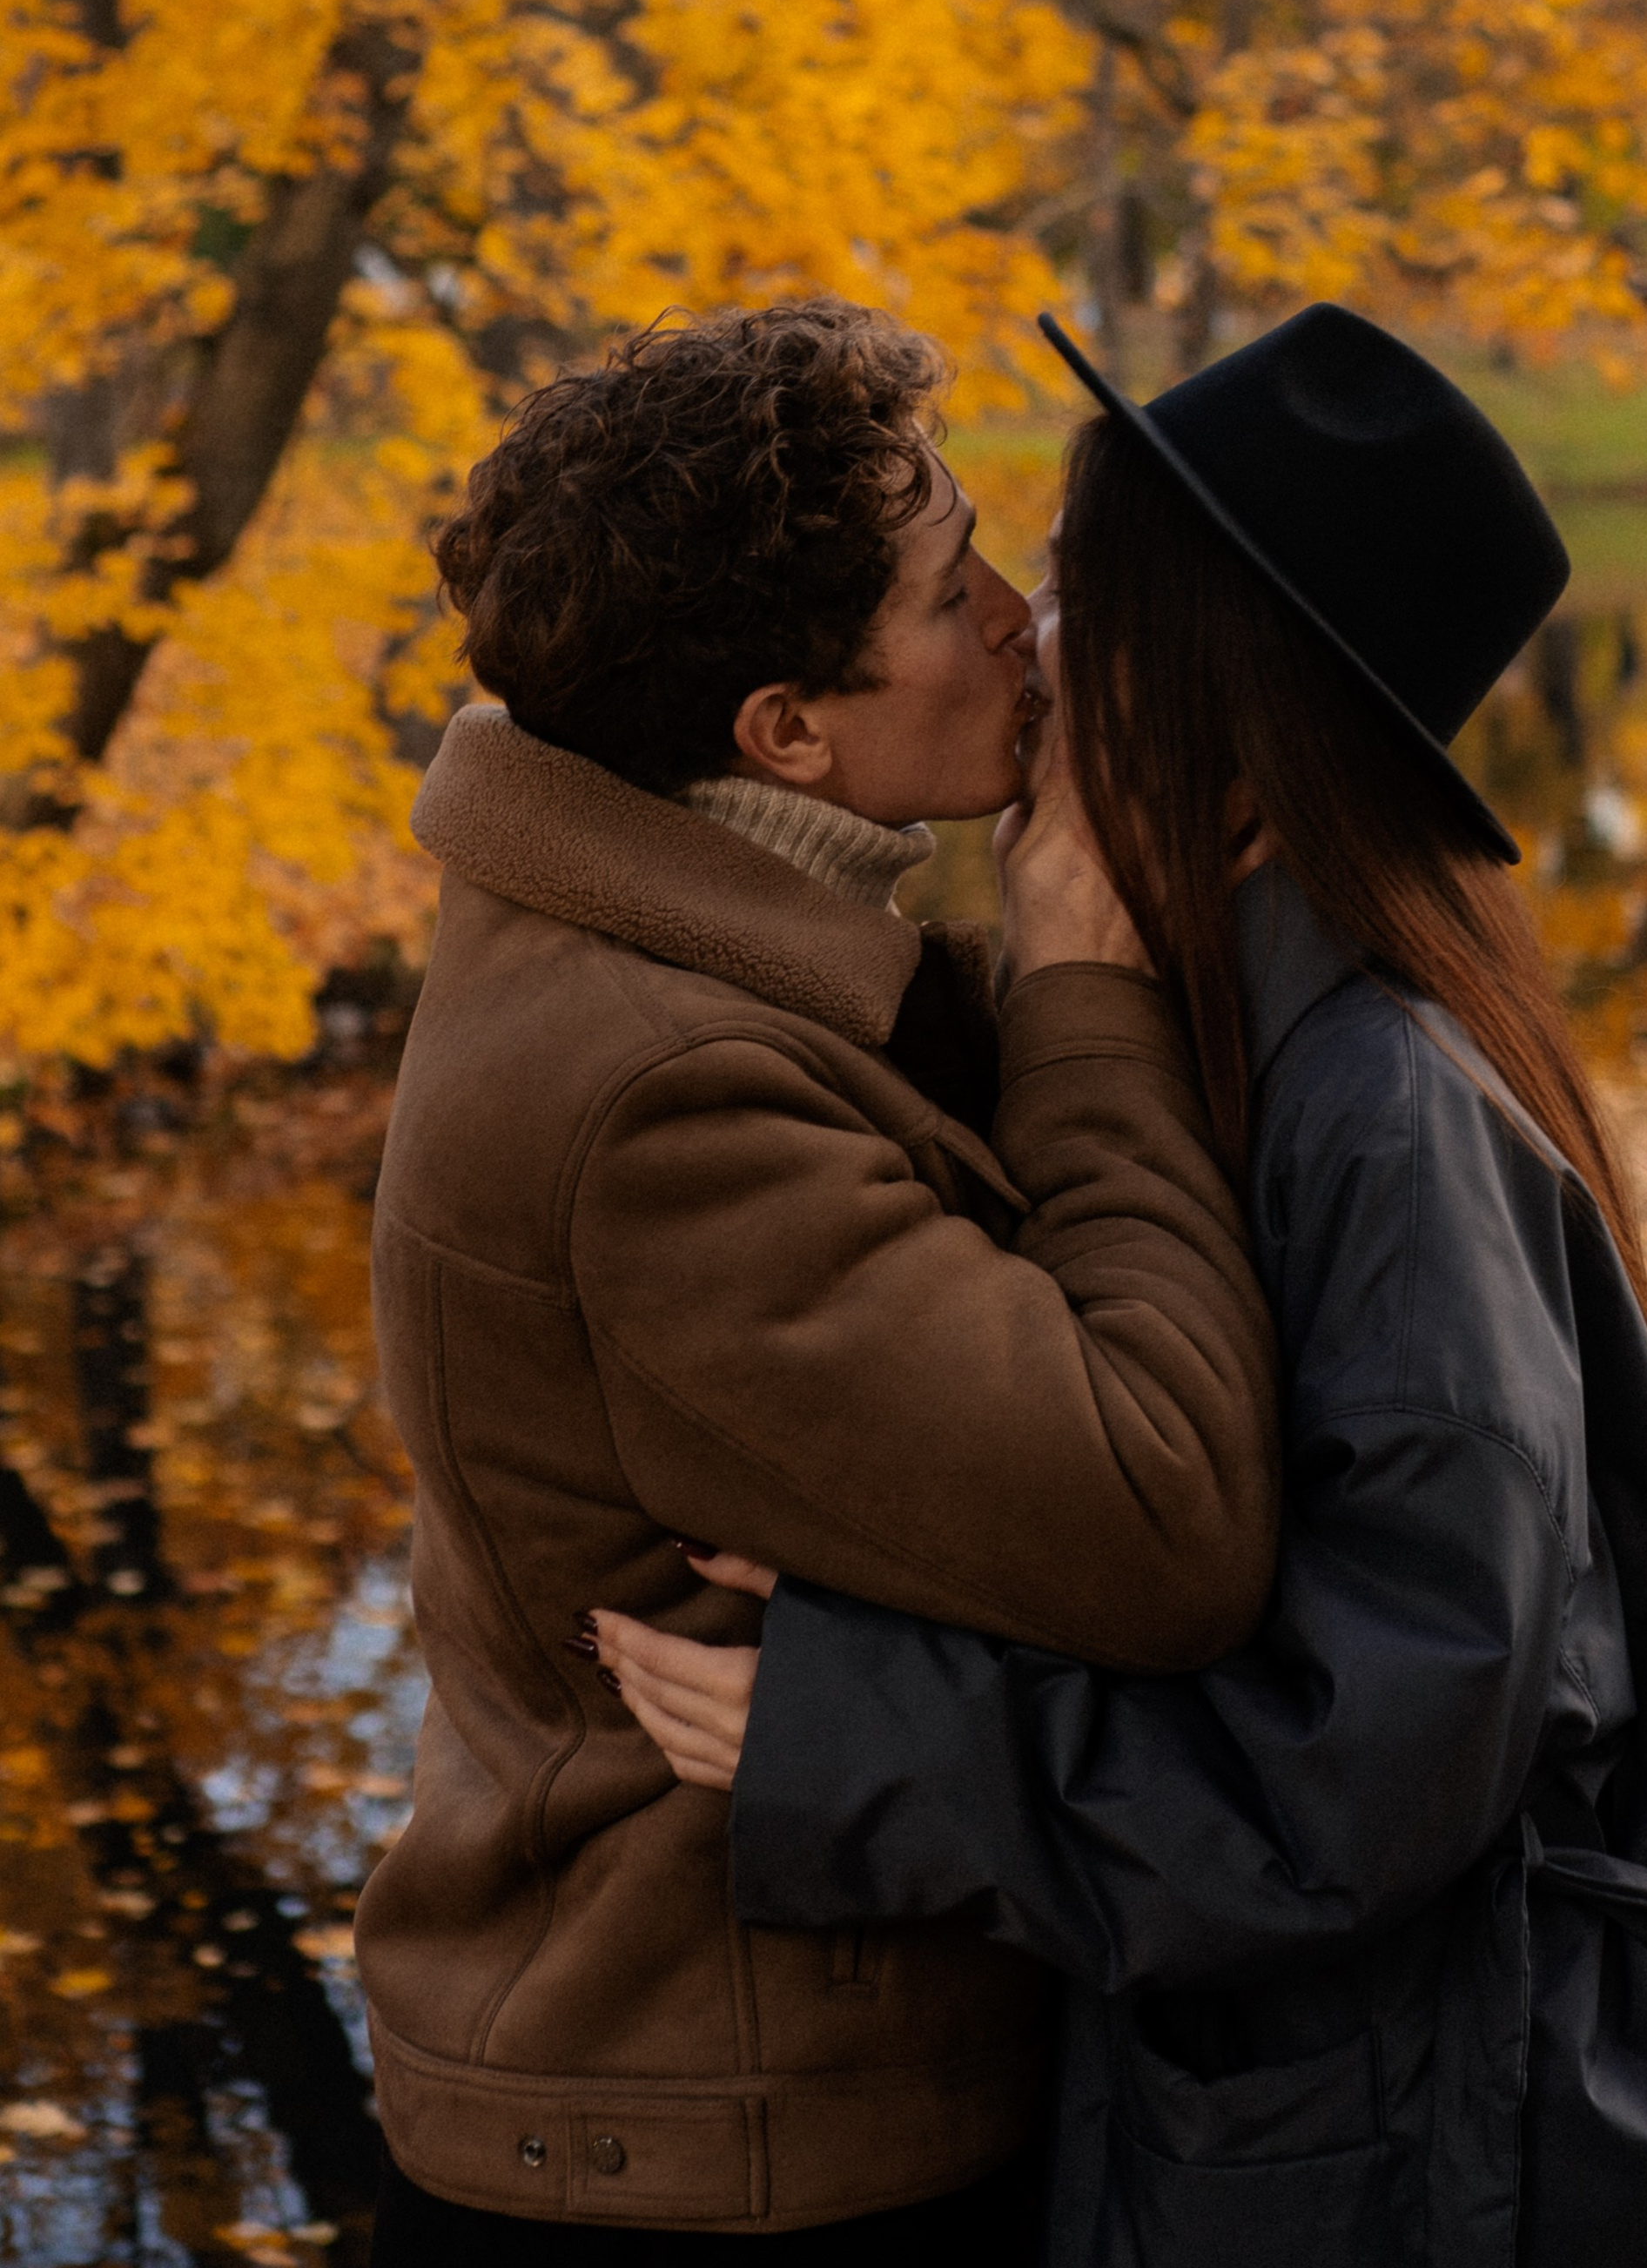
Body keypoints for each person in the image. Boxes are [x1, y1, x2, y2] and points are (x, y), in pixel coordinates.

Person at [593, 304, 1647, 2266]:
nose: (1021, 628)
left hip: (1470, 2166)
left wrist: (864, 1739)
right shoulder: (1242, 1040)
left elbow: (1365, 1777)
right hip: (1373, 2121)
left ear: (1206, 677)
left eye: (1081, 587)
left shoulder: (1375, 1110)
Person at [355, 301, 1280, 2261]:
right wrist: (1090, 982)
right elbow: (1157, 1510)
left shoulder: (676, 937)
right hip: (720, 2146)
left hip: (754, 2086)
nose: (1025, 621)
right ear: (783, 730)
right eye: (957, 597)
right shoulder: (662, 1096)